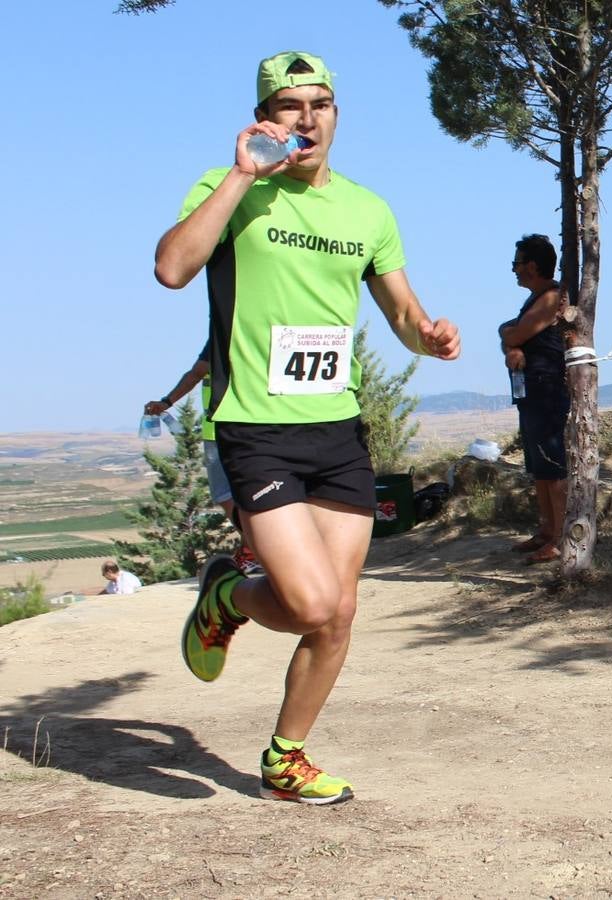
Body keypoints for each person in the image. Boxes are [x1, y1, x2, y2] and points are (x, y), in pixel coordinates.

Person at [153, 50, 461, 806]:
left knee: (337, 610)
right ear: (266, 116)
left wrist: (430, 336)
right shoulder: (232, 194)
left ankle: (285, 760)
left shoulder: (367, 210)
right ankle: (228, 593)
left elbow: (400, 315)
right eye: (290, 105)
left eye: (320, 103)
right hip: (255, 427)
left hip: (337, 429)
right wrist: (238, 177)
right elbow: (171, 267)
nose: (306, 118)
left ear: (335, 114)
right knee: (311, 603)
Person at [143, 342, 261, 575]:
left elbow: (197, 372)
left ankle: (254, 549)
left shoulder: (222, 334)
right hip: (259, 426)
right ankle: (258, 548)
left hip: (220, 430)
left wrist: (167, 401)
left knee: (225, 493)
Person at [498, 235, 569, 565]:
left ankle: (561, 537)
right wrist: (511, 342)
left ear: (532, 265)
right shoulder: (534, 299)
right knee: (538, 466)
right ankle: (546, 530)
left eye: (516, 263)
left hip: (547, 388)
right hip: (530, 391)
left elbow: (514, 333)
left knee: (552, 465)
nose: (513, 270)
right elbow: (510, 335)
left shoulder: (552, 296)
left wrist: (511, 337)